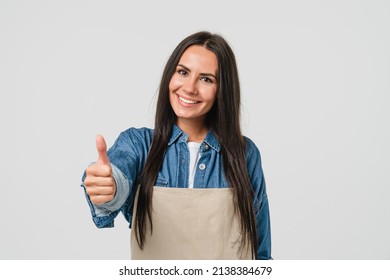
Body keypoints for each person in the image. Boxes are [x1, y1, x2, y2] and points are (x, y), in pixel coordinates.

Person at [81, 31, 272, 260]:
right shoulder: (139, 145)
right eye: (183, 72)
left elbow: (260, 253)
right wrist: (108, 185)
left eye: (206, 79)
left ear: (223, 90)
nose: (190, 88)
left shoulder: (245, 154)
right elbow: (117, 180)